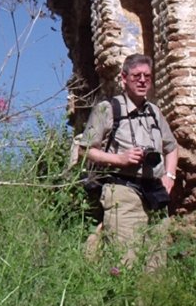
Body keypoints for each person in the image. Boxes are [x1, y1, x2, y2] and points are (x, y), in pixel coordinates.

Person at [70, 54, 178, 267]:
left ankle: (150, 301)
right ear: (124, 78)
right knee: (125, 262)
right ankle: (122, 301)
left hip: (155, 193)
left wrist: (170, 176)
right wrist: (120, 159)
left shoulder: (154, 112)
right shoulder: (108, 109)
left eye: (147, 76)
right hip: (122, 190)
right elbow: (85, 150)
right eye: (136, 75)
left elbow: (172, 148)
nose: (142, 80)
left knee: (156, 263)